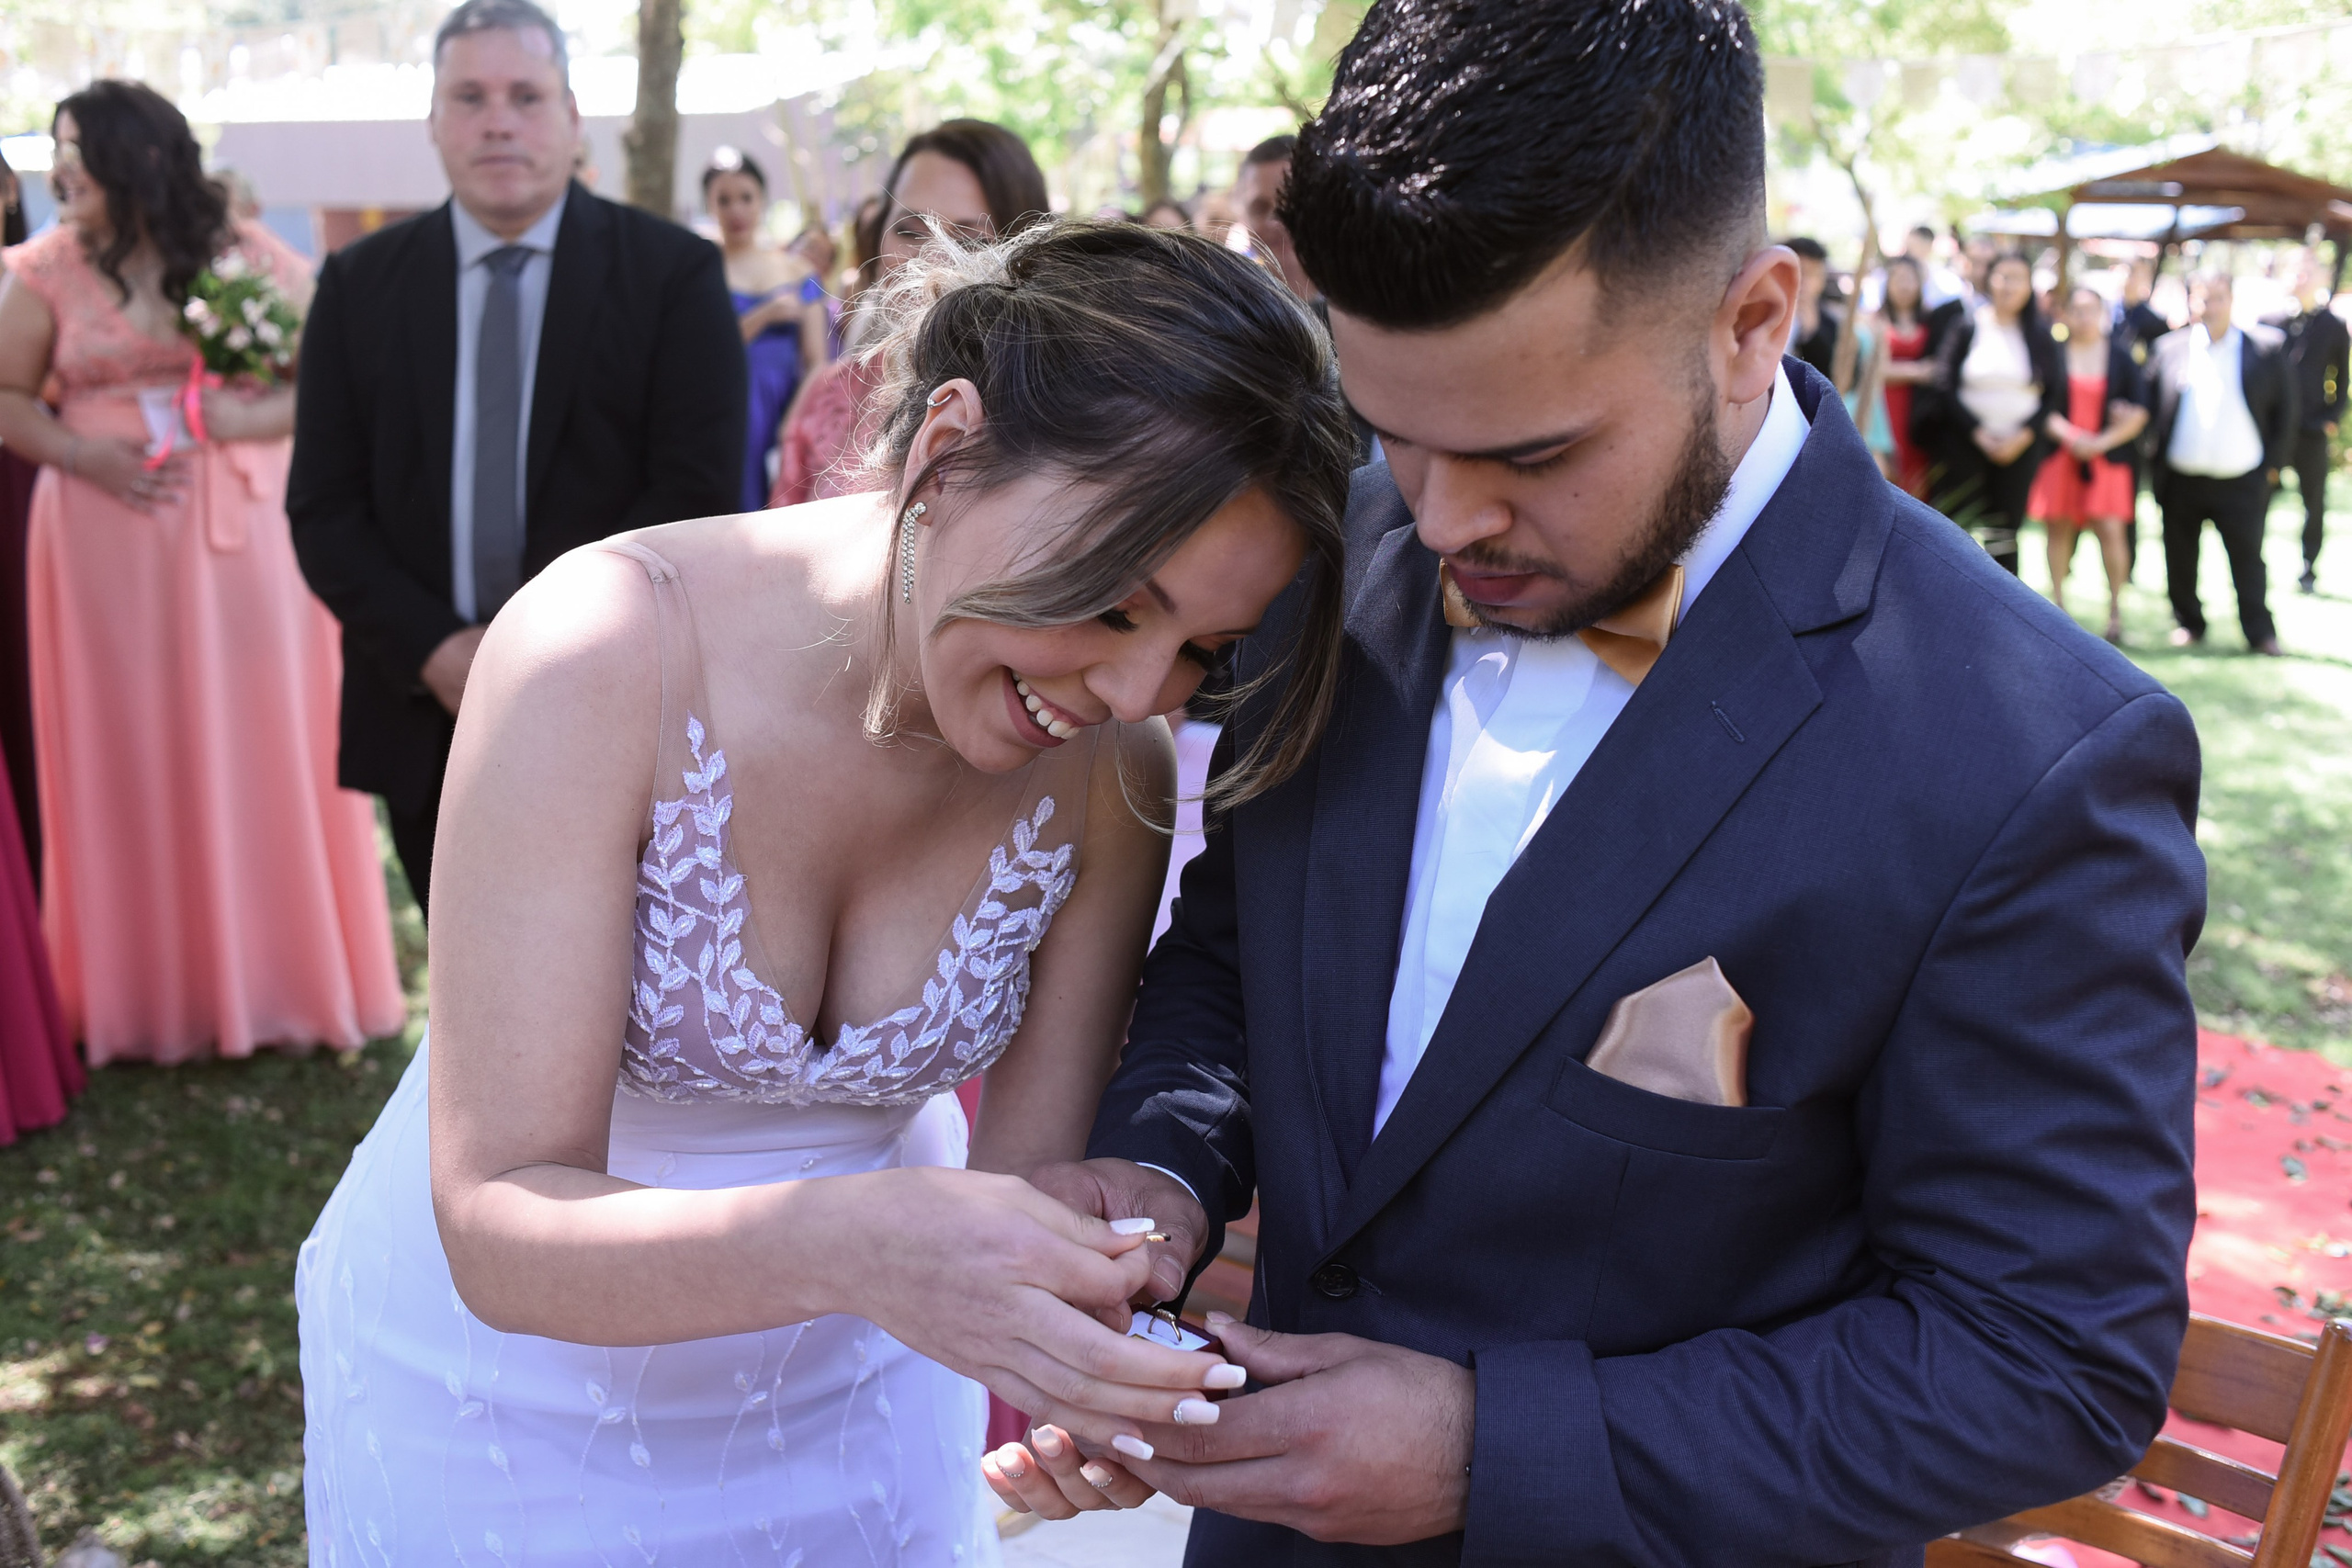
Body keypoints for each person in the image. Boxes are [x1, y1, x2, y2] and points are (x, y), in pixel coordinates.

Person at [991, 0, 2204, 1561]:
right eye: (1396, 435)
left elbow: (2044, 1358)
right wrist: (1162, 1175)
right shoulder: (1344, 543)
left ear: (1756, 319)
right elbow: (1238, 959)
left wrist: (1497, 1451)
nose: (1440, 522)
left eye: (1537, 455)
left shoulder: (2026, 750)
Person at [298, 219, 1361, 1565]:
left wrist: (1101, 1353)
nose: (1134, 688)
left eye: (1200, 647)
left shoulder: (1113, 774)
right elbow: (501, 1229)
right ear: (947, 442)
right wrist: (858, 1242)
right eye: (1110, 601)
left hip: (862, 1397)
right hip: (500, 1398)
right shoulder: (606, 648)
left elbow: (1022, 1195)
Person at [288, 0, 743, 919]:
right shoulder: (358, 284)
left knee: (614, 990)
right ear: (433, 121)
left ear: (573, 119)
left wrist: (538, 655)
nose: (498, 119)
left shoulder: (673, 275)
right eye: (470, 96)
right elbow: (325, 509)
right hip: (422, 703)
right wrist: (436, 651)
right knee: (464, 982)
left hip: (611, 702)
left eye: (525, 95)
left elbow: (693, 495)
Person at [0, 81, 403, 1063]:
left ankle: (278, 981)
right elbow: (6, 395)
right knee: (123, 746)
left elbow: (334, 381)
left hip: (238, 540)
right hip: (101, 541)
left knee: (260, 735)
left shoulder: (243, 254)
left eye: (76, 150)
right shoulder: (43, 270)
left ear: (135, 157)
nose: (60, 171)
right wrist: (80, 454)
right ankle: (142, 997)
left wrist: (251, 417)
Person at [768, 120, 1048, 508]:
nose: (930, 263)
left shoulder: (1055, 418)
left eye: (969, 242)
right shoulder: (829, 395)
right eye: (911, 231)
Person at [2146, 271, 2296, 656]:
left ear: (2231, 301)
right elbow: (2149, 410)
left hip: (2242, 478)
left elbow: (2287, 412)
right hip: (2182, 478)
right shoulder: (2169, 349)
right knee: (2179, 557)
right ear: (2191, 302)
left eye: (2217, 298)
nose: (2209, 306)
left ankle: (2259, 632)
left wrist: (2273, 466)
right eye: (2202, 299)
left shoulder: (2265, 348)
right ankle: (2189, 623)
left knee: (2248, 559)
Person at [1920, 251, 2065, 573]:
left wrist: (2023, 435)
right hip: (1965, 442)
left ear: (2030, 287)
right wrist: (1978, 432)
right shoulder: (1968, 324)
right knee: (1955, 527)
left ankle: (2000, 612)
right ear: (1990, 280)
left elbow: (2054, 393)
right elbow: (1944, 383)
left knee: (2003, 534)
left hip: (2020, 449)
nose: (2009, 286)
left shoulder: (2041, 335)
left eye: (2018, 278)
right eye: (2003, 276)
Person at [705, 147, 829, 513]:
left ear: (762, 200)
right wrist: (766, 314)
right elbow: (706, 350)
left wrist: (792, 421)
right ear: (710, 205)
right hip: (719, 403)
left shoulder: (798, 271)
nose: (736, 210)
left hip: (781, 405)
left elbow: (818, 361)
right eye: (724, 200)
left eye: (746, 197)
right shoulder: (702, 270)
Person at [2031, 283, 2151, 644]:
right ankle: (2058, 607)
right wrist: (2073, 438)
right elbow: (2042, 408)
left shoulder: (2121, 355)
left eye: (2091, 310)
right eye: (2077, 310)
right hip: (2061, 455)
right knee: (2059, 529)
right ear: (2064, 314)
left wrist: (2101, 442)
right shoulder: (2054, 354)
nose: (2084, 318)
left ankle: (2115, 612)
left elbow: (2141, 410)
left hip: (2108, 458)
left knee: (2111, 531)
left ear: (2102, 313)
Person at [2266, 255, 2346, 593]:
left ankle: (2309, 568)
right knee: (2259, 494)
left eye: (2307, 272)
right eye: (2296, 271)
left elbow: (2340, 379)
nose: (2301, 277)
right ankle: (2252, 562)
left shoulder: (2333, 326)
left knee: (2314, 500)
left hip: (2311, 428)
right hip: (2273, 428)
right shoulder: (2270, 322)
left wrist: (2330, 418)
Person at [1878, 253, 1936, 497]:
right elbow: (1878, 370)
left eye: (1909, 279)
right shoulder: (1875, 321)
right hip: (1886, 409)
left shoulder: (1932, 321)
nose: (1903, 285)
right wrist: (1919, 371)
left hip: (1920, 411)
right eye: (1897, 278)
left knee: (1919, 477)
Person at [1232, 134, 1315, 300]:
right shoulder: (1231, 304)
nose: (1275, 222)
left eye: (1291, 205)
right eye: (1260, 209)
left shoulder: (1363, 305)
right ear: (1242, 214)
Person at [1785, 236, 1839, 383]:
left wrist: (1811, 335)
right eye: (1801, 271)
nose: (1805, 281)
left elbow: (1830, 376)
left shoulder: (1829, 324)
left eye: (1813, 274)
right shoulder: (1759, 313)